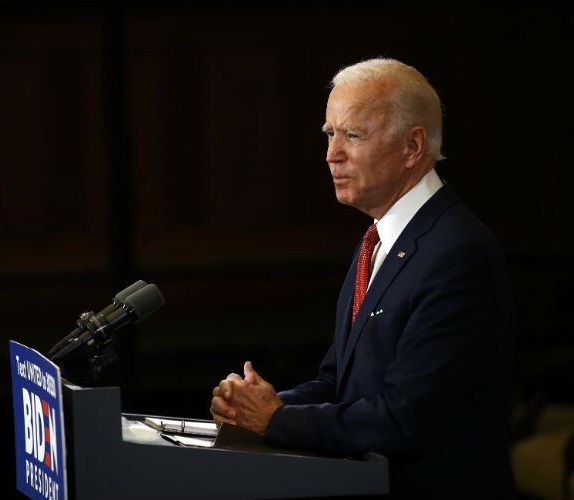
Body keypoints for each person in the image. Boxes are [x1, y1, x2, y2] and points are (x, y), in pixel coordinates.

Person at [210, 57, 517, 499]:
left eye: (352, 135)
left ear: (412, 146)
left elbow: (403, 418)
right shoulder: (379, 238)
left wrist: (275, 420)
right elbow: (340, 383)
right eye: (330, 134)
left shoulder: (457, 253)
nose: (332, 153)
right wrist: (255, 405)